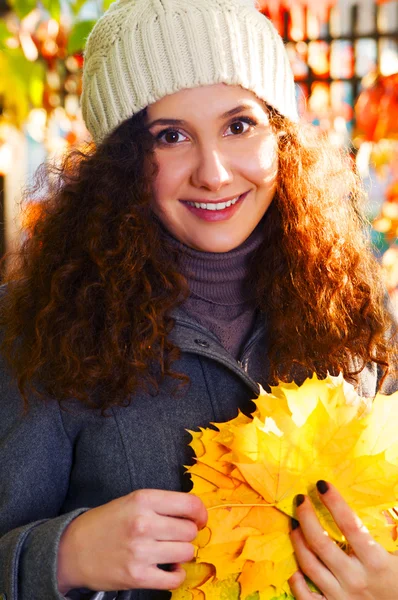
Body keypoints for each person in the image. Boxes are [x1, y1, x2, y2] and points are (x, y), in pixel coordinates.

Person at [0, 0, 397, 598]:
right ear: (122, 164)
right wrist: (60, 557)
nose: (213, 173)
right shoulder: (35, 327)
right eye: (171, 136)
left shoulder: (350, 306)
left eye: (239, 125)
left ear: (281, 137)